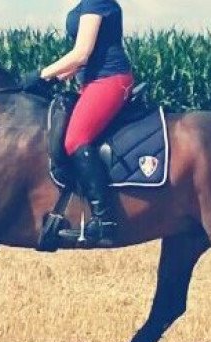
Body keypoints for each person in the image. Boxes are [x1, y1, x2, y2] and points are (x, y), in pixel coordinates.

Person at [23, 0, 134, 244]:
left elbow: (82, 52)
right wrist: (53, 80)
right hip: (91, 82)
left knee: (76, 139)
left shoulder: (97, 2)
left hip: (110, 79)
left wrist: (42, 74)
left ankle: (104, 220)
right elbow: (84, 59)